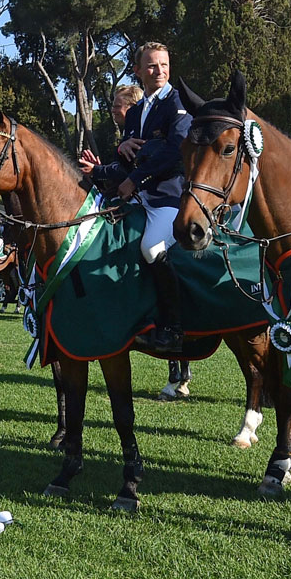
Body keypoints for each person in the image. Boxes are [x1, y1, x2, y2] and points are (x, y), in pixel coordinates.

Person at [91, 44, 191, 355]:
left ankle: (173, 328)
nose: (159, 71)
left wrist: (135, 176)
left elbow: (176, 151)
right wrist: (123, 151)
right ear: (138, 71)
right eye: (151, 66)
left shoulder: (178, 103)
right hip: (137, 196)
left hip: (168, 198)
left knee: (151, 247)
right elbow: (130, 157)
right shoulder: (135, 112)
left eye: (164, 64)